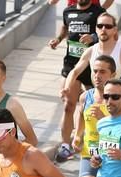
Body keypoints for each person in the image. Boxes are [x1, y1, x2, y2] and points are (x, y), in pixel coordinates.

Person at [48, 0, 105, 163]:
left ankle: (94, 141)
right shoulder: (68, 11)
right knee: (68, 105)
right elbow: (65, 27)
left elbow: (107, 31)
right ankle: (66, 145)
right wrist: (58, 39)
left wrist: (93, 37)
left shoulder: (98, 12)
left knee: (95, 106)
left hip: (91, 65)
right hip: (71, 64)